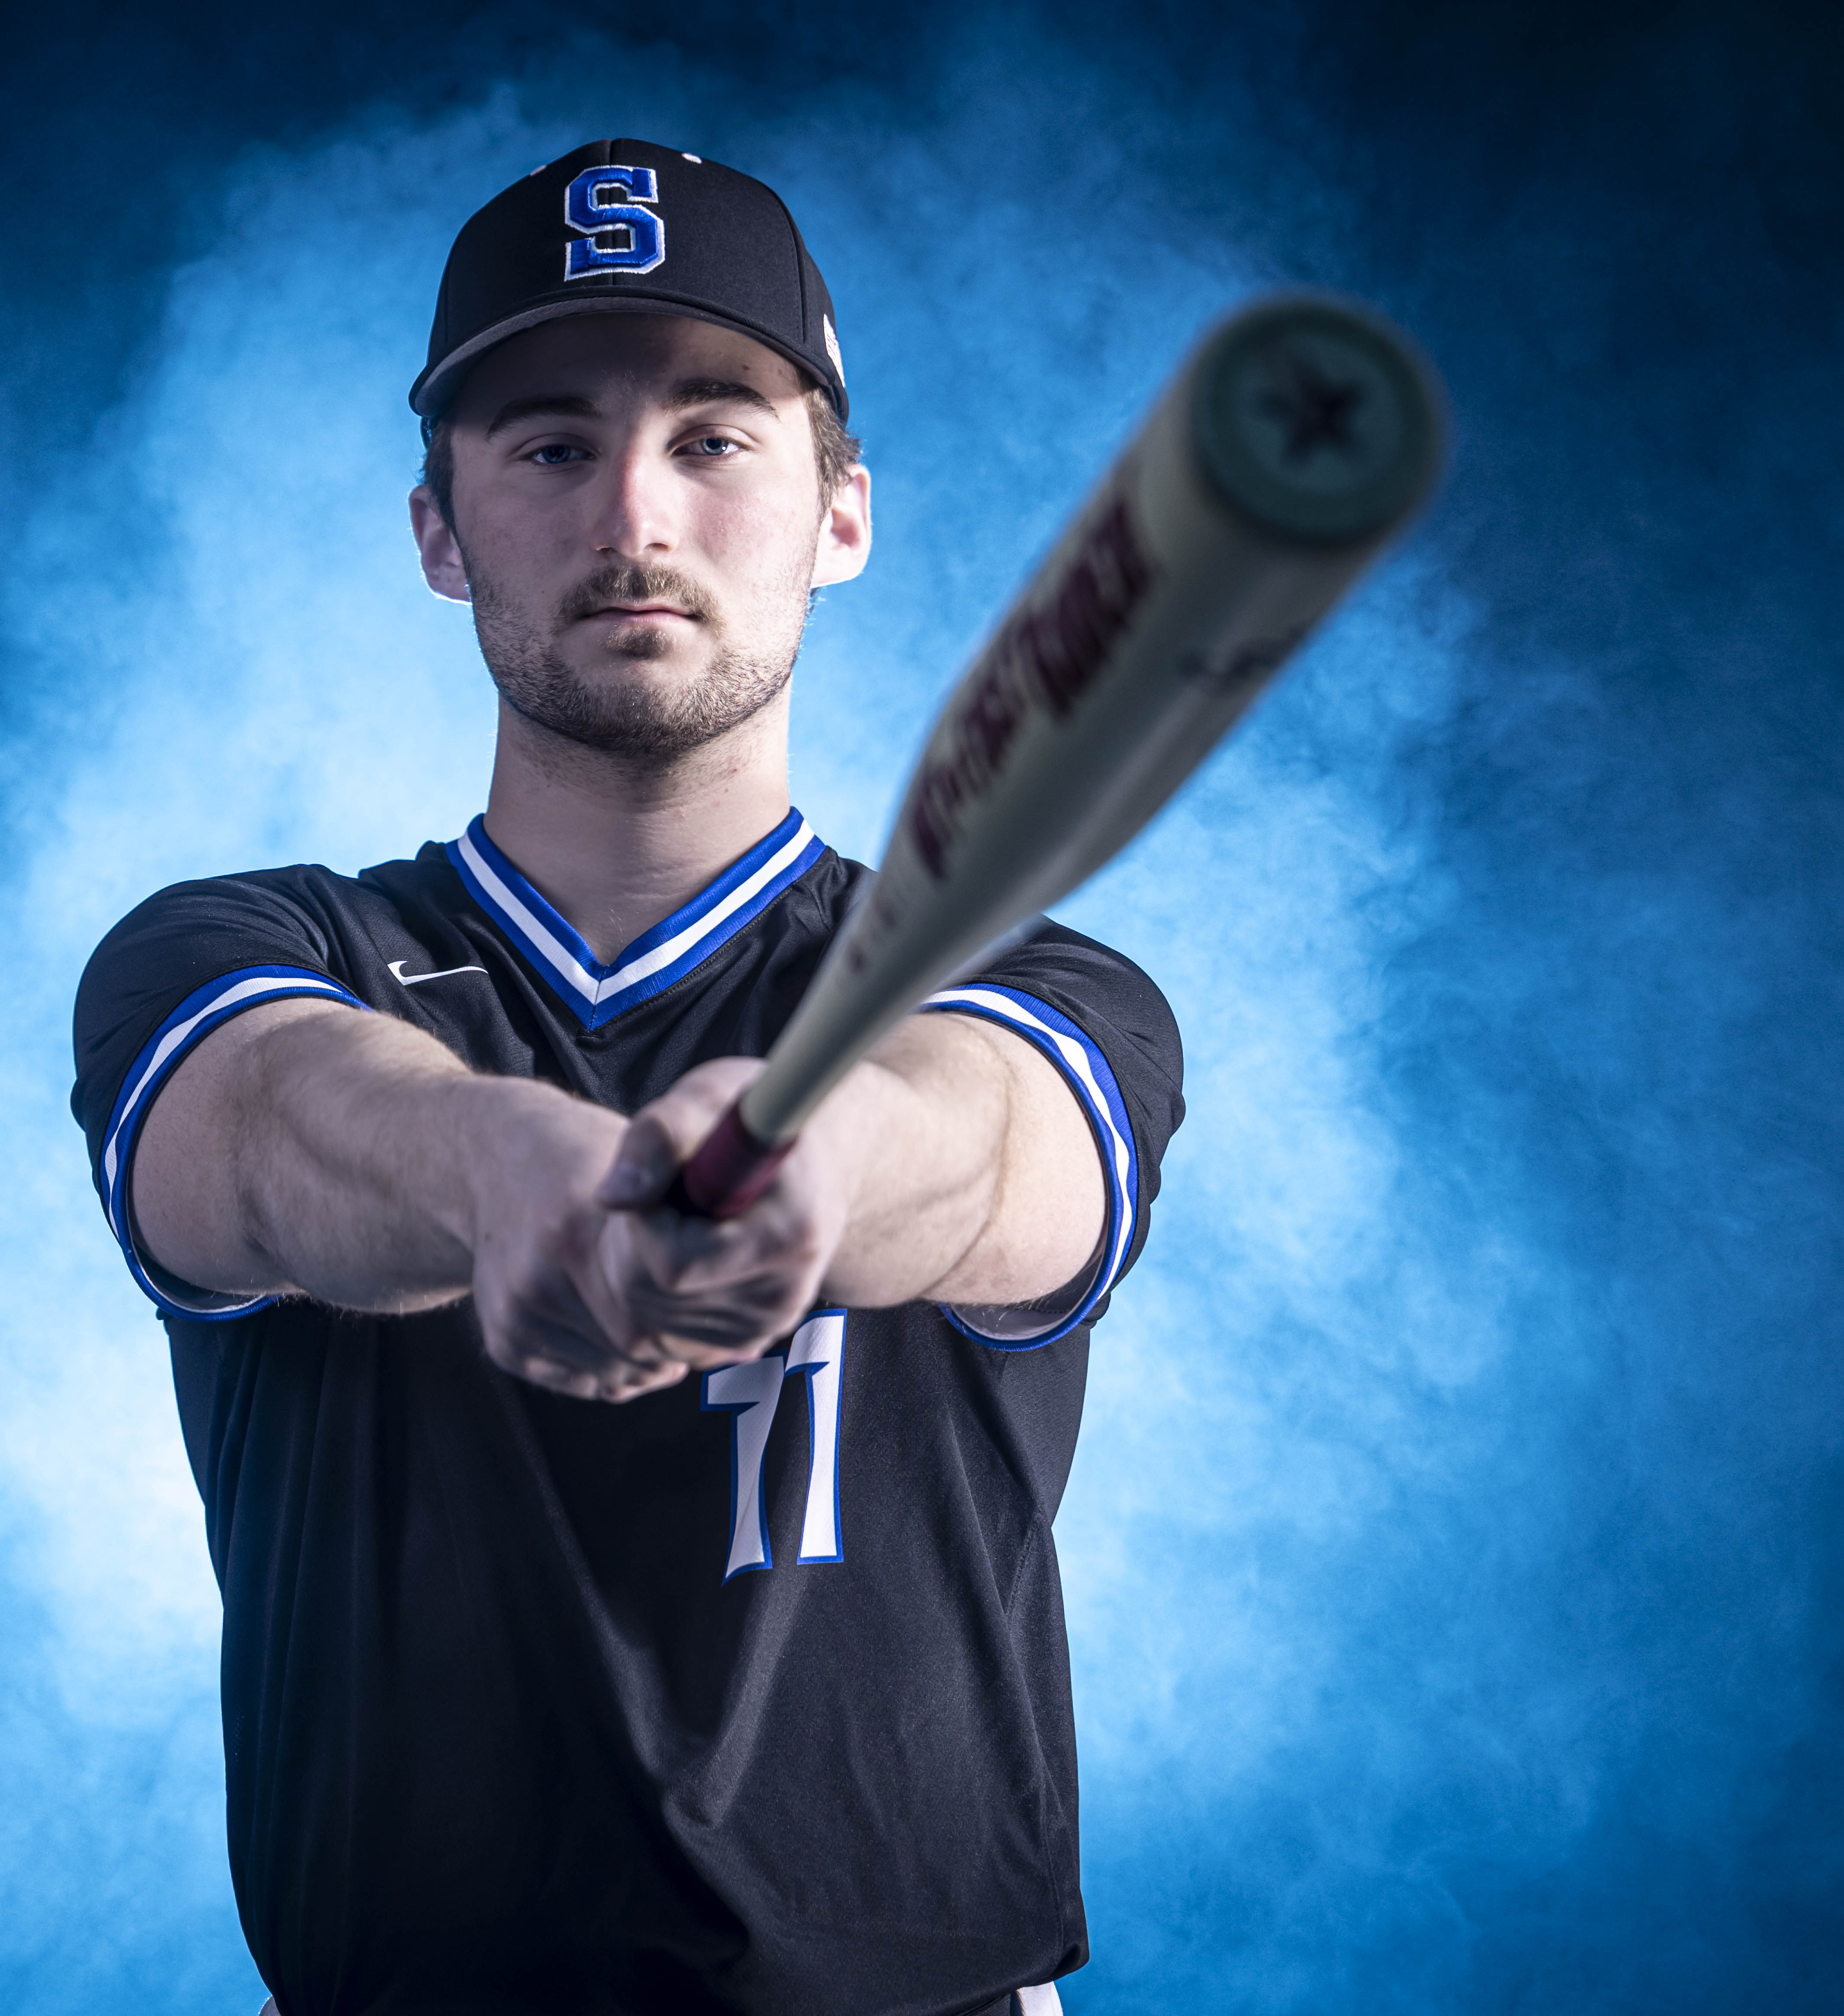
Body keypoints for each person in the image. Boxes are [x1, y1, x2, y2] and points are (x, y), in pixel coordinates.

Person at [71, 138, 1184, 2016]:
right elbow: (261, 1130)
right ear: (439, 530)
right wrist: (505, 1162)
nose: (631, 515)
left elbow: (987, 1147)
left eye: (714, 434)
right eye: (546, 445)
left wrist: (809, 1175)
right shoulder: (241, 950)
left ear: (839, 508)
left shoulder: (1011, 978)